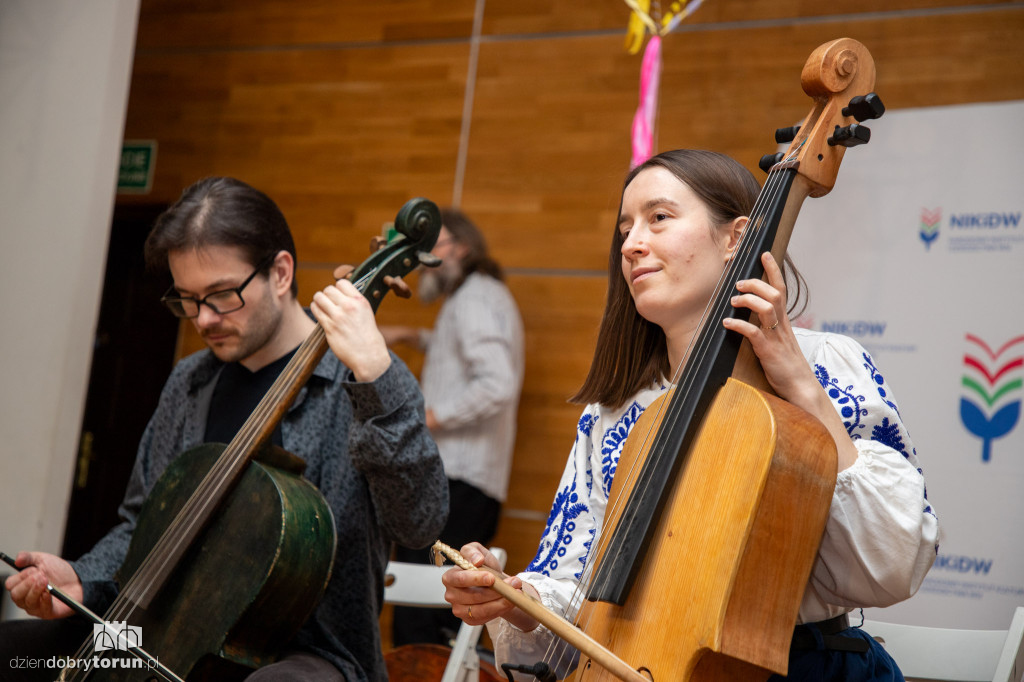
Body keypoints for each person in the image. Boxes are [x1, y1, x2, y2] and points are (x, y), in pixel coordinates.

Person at [441, 150, 939, 681]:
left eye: (658, 218)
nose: (632, 244)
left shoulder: (827, 365)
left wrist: (802, 389)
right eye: (625, 228)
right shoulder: (615, 409)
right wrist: (518, 600)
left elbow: (894, 562)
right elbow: (580, 587)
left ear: (735, 239)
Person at [0, 176, 449, 682]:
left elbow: (422, 522)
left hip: (305, 655)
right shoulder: (190, 382)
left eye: (221, 295)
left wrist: (376, 376)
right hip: (156, 632)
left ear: (280, 273)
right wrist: (82, 579)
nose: (204, 319)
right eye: (187, 299)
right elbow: (142, 524)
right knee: (14, 652)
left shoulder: (363, 379)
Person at [381, 208, 524, 647]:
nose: (419, 257)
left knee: (422, 625)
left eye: (430, 246)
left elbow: (497, 383)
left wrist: (430, 418)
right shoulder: (472, 299)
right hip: (461, 482)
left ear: (459, 249)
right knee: (437, 619)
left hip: (454, 482)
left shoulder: (475, 298)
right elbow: (459, 352)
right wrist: (412, 335)